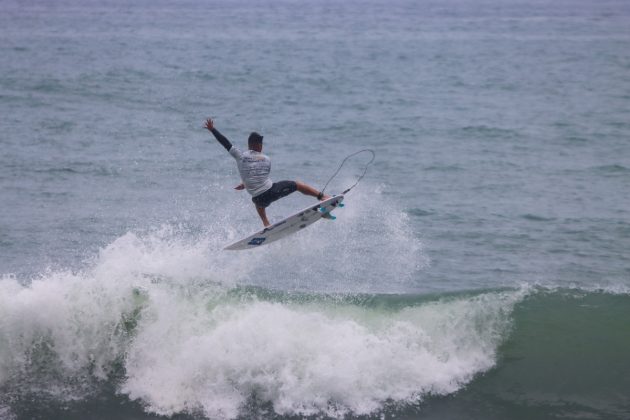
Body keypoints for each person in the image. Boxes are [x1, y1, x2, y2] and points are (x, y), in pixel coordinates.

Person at [204, 118, 330, 227]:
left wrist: (212, 130)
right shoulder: (266, 159)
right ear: (257, 145)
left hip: (259, 199)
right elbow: (259, 176)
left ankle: (266, 223)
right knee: (297, 185)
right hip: (271, 192)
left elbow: (225, 143)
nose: (262, 146)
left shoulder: (240, 156)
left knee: (257, 199)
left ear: (249, 145)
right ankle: (321, 196)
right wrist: (245, 183)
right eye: (261, 144)